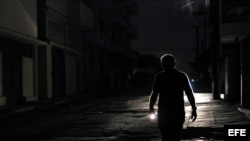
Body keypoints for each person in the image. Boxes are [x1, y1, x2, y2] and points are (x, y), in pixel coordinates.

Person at [149, 54, 197, 141]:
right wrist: (194, 109)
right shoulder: (181, 76)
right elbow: (189, 93)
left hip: (164, 112)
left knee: (165, 137)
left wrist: (151, 107)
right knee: (176, 136)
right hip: (177, 112)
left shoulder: (160, 76)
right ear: (174, 63)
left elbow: (154, 93)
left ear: (163, 65)